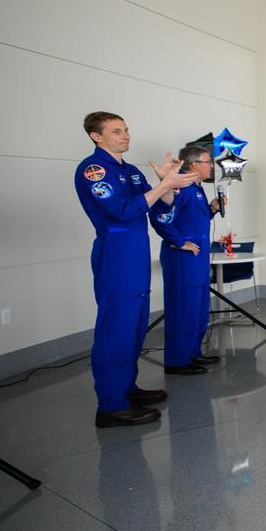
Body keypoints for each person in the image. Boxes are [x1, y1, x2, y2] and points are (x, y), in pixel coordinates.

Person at [75, 112, 197, 427]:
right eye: (116, 131)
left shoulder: (128, 171)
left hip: (136, 253)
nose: (126, 135)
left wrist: (165, 185)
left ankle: (126, 388)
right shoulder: (93, 170)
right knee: (116, 329)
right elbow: (122, 210)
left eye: (126, 129)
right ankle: (111, 405)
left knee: (134, 326)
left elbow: (160, 207)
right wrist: (163, 185)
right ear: (96, 136)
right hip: (116, 254)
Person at [148, 144, 220, 377]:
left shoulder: (197, 187)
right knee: (183, 308)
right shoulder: (179, 185)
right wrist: (178, 241)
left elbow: (192, 218)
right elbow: (160, 216)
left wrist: (212, 209)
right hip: (182, 257)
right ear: (194, 164)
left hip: (197, 256)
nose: (212, 166)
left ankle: (193, 352)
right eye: (208, 161)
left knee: (198, 308)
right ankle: (177, 360)